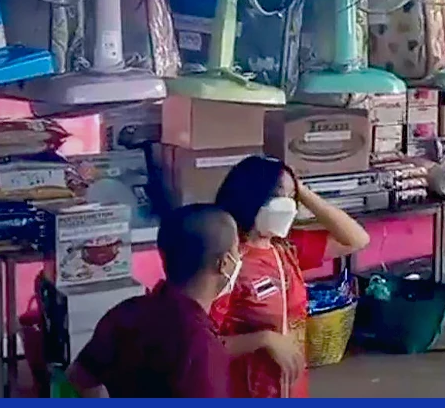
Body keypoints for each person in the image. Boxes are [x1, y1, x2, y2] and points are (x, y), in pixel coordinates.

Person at [212, 155, 371, 398]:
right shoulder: (228, 260)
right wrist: (264, 339)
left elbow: (357, 239)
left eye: (290, 197)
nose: (287, 205)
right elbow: (204, 344)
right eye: (277, 196)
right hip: (246, 389)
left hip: (291, 386)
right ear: (251, 196)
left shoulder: (287, 248)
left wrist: (304, 192)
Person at [67, 204, 239, 398]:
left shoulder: (125, 313)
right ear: (223, 263)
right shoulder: (200, 345)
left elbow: (79, 377)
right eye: (237, 250)